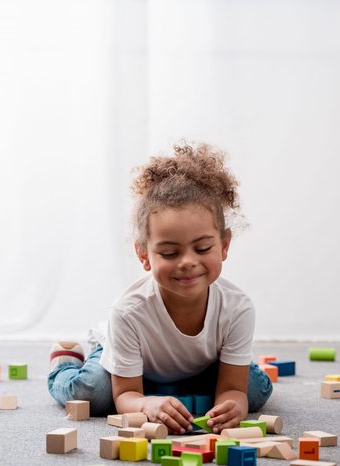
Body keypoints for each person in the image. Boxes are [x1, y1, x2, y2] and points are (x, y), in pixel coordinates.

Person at [47, 142, 272, 434]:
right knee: (92, 394)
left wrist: (233, 405)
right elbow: (126, 395)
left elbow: (233, 390)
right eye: (169, 253)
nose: (188, 262)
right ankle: (65, 361)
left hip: (200, 365)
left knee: (254, 393)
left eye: (203, 248)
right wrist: (145, 405)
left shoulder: (237, 307)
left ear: (224, 245)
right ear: (144, 256)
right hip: (131, 366)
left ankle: (180, 388)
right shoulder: (129, 312)